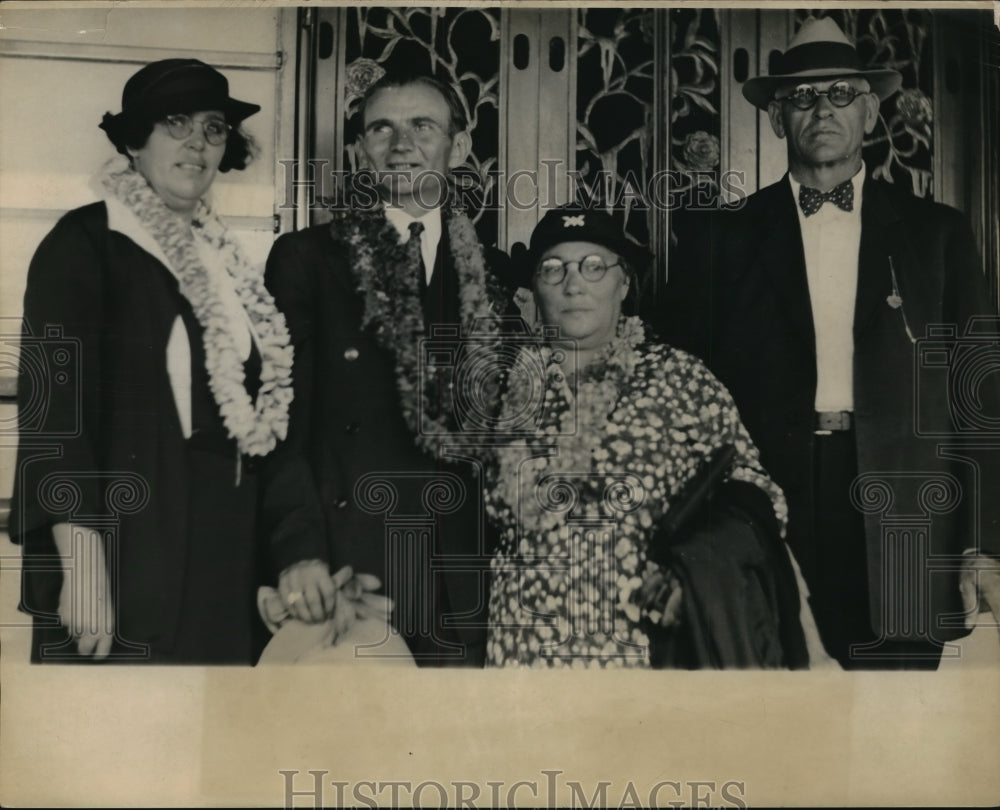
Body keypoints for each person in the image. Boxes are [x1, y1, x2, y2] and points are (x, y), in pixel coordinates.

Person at [663, 17, 1000, 669]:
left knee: (895, 723)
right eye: (803, 96)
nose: (823, 110)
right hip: (767, 504)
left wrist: (982, 539)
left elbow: (981, 398)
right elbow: (680, 394)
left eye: (841, 93)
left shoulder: (938, 236)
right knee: (778, 706)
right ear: (776, 119)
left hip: (907, 503)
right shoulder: (717, 241)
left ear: (870, 113)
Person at [11, 59, 298, 663]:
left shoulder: (230, 265)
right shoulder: (87, 243)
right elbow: (53, 415)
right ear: (135, 138)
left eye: (214, 128)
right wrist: (82, 563)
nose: (197, 142)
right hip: (125, 548)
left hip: (222, 558)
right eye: (176, 123)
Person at [483, 206, 818, 669]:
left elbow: (759, 495)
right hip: (523, 657)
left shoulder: (679, 378)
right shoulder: (502, 390)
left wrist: (693, 574)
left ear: (623, 284)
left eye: (594, 267)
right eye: (553, 269)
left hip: (646, 653)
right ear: (534, 289)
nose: (573, 283)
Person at [263, 72, 513, 666]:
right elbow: (278, 425)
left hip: (464, 577)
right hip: (352, 571)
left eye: (422, 126)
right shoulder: (306, 260)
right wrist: (299, 552)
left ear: (458, 144)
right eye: (382, 128)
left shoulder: (494, 272)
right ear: (359, 149)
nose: (401, 144)